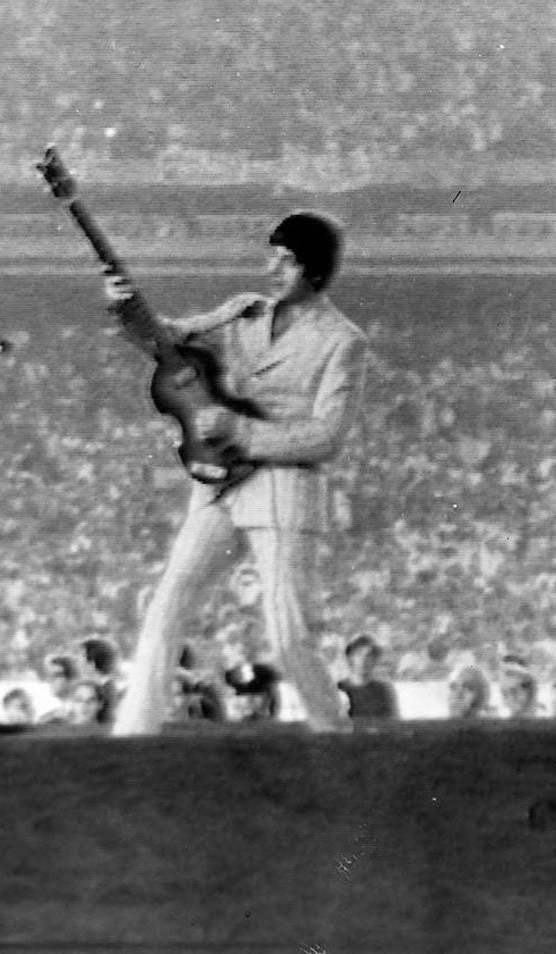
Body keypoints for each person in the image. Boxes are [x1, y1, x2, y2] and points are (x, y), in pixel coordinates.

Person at [106, 210, 368, 738]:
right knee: (168, 603)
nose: (274, 266)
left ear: (315, 272)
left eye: (288, 260)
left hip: (284, 487)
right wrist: (128, 311)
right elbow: (170, 344)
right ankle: (134, 733)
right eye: (272, 253)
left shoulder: (342, 340)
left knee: (288, 630)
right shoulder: (242, 313)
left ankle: (332, 730)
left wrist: (243, 433)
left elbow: (328, 436)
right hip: (220, 483)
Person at [338, 631, 400, 721]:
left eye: (368, 656)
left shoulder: (383, 689)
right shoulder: (340, 688)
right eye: (358, 654)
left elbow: (394, 722)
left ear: (375, 659)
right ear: (350, 657)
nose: (363, 660)